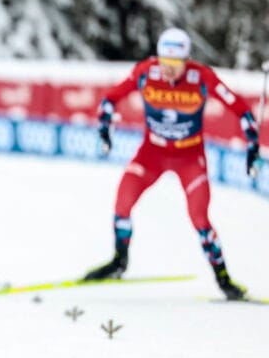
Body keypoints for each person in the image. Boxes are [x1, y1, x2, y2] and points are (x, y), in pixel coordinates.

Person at [82, 27, 259, 300]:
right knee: (122, 202)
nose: (168, 69)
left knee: (199, 218)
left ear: (186, 61)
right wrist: (104, 128)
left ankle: (224, 280)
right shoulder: (146, 72)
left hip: (189, 158)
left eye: (175, 64)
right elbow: (110, 99)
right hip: (151, 154)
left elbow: (241, 110)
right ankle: (119, 261)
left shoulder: (201, 76)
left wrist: (252, 145)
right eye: (165, 62)